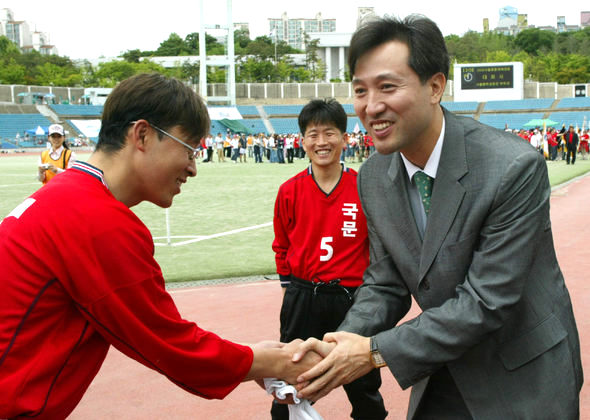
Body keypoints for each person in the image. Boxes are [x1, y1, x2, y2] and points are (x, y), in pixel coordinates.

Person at [293, 15, 583, 419]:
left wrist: (373, 353)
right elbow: (384, 282)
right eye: (360, 90)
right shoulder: (375, 176)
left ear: (435, 86)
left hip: (522, 374)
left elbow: (486, 301)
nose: (371, 105)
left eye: (387, 87)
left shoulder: (513, 166)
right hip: (442, 369)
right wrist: (343, 341)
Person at [0, 73, 322, 420]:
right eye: (188, 149)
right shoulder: (96, 219)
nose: (193, 168)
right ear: (142, 135)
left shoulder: (68, 195)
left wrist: (254, 359)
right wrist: (270, 362)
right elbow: (170, 346)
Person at [271, 98, 387, 420]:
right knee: (290, 385)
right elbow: (281, 245)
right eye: (313, 134)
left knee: (364, 389)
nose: (321, 142)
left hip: (351, 301)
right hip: (303, 297)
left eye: (329, 133)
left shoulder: (363, 187)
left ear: (345, 138)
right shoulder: (289, 191)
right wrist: (289, 293)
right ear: (302, 141)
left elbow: (378, 246)